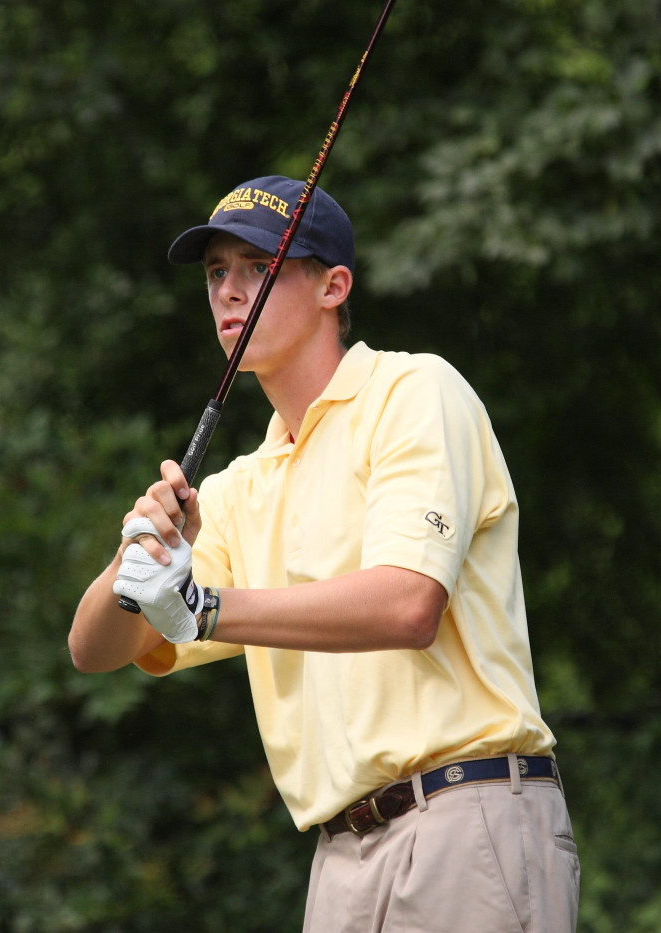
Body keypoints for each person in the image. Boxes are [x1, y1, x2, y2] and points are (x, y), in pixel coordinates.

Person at [69, 175, 579, 932]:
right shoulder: (243, 484)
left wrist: (204, 607)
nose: (229, 291)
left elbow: (408, 605)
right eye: (216, 273)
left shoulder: (415, 392)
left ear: (334, 285)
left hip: (463, 818)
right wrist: (139, 557)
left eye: (258, 267)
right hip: (340, 859)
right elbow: (94, 648)